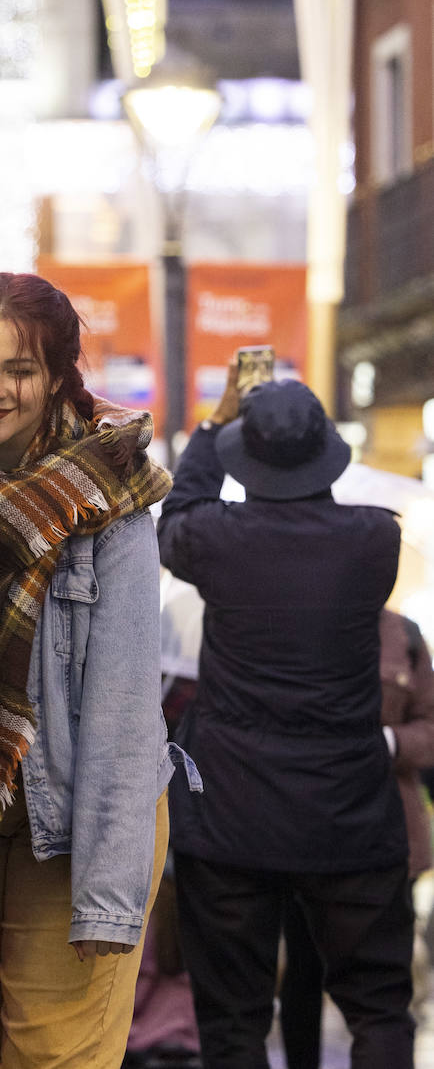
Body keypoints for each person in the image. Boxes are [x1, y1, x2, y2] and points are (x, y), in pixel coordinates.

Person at [0, 270, 179, 1069]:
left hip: (79, 808)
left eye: (18, 370)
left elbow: (128, 712)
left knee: (51, 1056)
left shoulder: (113, 492)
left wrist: (108, 899)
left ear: (58, 373)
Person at [158, 363, 415, 1068]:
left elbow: (176, 514)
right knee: (378, 1007)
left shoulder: (215, 539)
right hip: (349, 816)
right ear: (327, 450)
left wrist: (212, 426)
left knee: (234, 1019)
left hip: (233, 816)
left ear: (249, 456)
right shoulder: (375, 541)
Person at [279, 606, 434, 1069]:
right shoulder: (298, 624)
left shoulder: (404, 635)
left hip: (389, 836)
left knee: (382, 986)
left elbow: (431, 726)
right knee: (304, 971)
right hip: (304, 831)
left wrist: (388, 743)